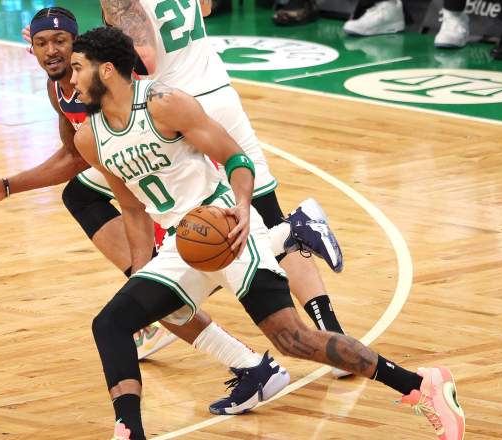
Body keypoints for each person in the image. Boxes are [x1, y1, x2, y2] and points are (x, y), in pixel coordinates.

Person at [70, 26, 465, 440]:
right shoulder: (90, 138)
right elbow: (132, 208)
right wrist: (141, 271)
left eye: (79, 68)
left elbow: (235, 158)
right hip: (183, 244)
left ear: (108, 70)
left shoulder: (164, 105)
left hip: (229, 229)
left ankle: (422, 386)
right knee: (112, 323)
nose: (74, 79)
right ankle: (129, 430)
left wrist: (242, 207)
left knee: (294, 340)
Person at [0, 7, 292, 416]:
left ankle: (286, 236)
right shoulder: (59, 88)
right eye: (42, 43)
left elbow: (130, 88)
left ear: (83, 50)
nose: (52, 52)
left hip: (167, 162)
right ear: (31, 47)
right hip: (131, 172)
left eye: (61, 43)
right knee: (97, 221)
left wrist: (11, 186)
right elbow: (74, 155)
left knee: (183, 263)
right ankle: (250, 360)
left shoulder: (106, 80)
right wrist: (8, 186)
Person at [96, 0, 354, 382]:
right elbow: (207, 6)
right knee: (263, 213)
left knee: (87, 192)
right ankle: (330, 330)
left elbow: (145, 59)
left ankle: (151, 312)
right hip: (220, 92)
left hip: (173, 108)